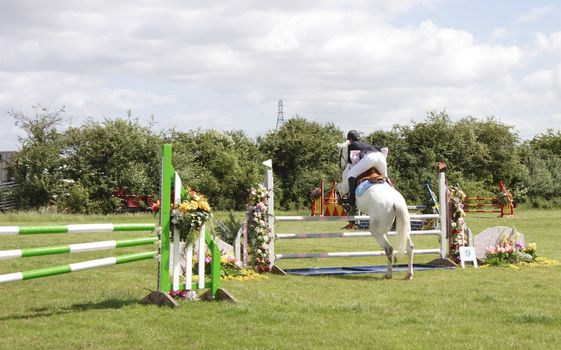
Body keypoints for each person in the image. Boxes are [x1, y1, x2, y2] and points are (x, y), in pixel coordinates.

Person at [345, 130, 389, 208]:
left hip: (370, 158)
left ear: (350, 139)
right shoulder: (365, 144)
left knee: (351, 174)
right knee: (385, 178)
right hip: (381, 157)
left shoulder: (351, 145)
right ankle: (394, 191)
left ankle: (351, 199)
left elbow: (349, 160)